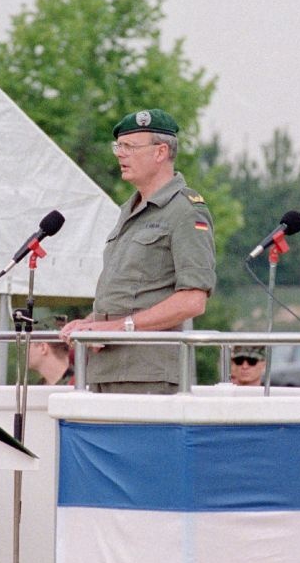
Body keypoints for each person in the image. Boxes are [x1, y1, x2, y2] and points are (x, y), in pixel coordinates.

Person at [60, 109, 216, 393]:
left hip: (148, 374)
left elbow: (193, 300)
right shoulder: (130, 210)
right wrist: (92, 324)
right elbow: (135, 296)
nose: (120, 154)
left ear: (160, 152)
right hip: (103, 370)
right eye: (118, 146)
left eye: (129, 146)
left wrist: (119, 328)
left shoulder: (185, 211)